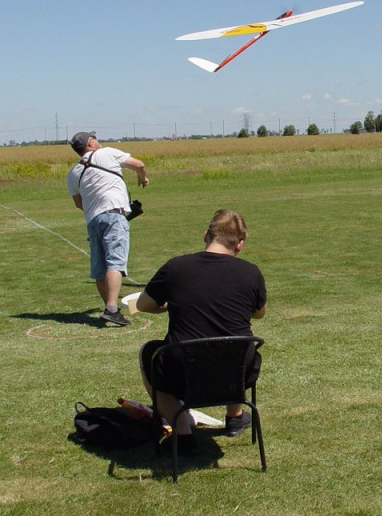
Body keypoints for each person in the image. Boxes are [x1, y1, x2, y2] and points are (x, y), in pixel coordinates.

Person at [136, 209, 267, 453]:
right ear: (239, 245)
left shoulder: (176, 267)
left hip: (182, 371)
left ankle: (182, 433)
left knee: (149, 354)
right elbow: (259, 313)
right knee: (233, 347)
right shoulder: (251, 272)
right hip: (237, 373)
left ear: (206, 235)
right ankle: (235, 417)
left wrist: (168, 305)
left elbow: (143, 304)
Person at [66, 131, 149, 326]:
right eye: (93, 138)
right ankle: (112, 309)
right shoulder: (107, 153)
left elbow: (79, 204)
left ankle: (110, 308)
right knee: (115, 263)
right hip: (114, 214)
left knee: (99, 267)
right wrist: (142, 178)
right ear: (90, 144)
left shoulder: (73, 173)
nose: (97, 140)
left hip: (92, 220)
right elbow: (139, 164)